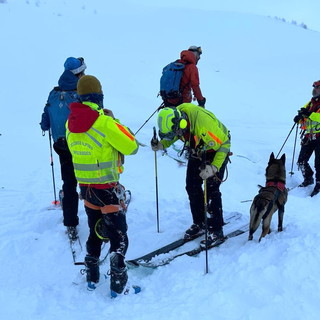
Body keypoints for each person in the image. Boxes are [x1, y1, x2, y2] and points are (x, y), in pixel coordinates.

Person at [66, 75, 139, 297]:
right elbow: (132, 146)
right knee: (119, 234)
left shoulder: (70, 122)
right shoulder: (105, 122)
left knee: (95, 230)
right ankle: (119, 284)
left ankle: (92, 276)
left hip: (85, 188)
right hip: (106, 188)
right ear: (99, 96)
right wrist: (115, 122)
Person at [151, 104, 230, 247]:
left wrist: (214, 167)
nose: (177, 136)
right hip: (198, 148)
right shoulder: (179, 118)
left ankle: (216, 230)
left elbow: (224, 144)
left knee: (211, 189)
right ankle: (200, 222)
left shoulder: (203, 126)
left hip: (217, 149)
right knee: (192, 185)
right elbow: (176, 135)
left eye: (176, 132)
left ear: (182, 123)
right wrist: (162, 144)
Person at [40, 57, 87, 240]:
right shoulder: (81, 92)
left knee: (69, 182)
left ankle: (70, 223)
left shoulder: (53, 93)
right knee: (87, 178)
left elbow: (45, 122)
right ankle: (98, 213)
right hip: (81, 145)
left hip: (60, 144)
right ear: (79, 73)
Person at [293, 80, 320, 197]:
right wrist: (299, 117)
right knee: (302, 160)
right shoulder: (311, 103)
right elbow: (304, 114)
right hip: (309, 136)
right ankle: (308, 178)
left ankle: (318, 184)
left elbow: (314, 116)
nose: (314, 88)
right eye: (314, 86)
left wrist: (308, 114)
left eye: (317, 87)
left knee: (319, 163)